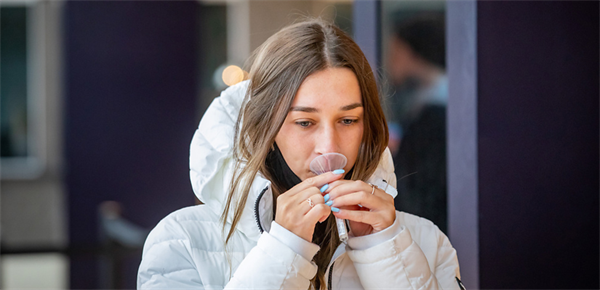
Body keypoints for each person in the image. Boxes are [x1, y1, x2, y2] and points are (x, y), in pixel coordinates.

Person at [137, 19, 463, 289]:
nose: (329, 146)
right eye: (305, 122)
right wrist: (283, 250)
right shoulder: (180, 242)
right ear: (267, 128)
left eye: (348, 120)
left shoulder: (425, 242)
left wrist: (386, 252)